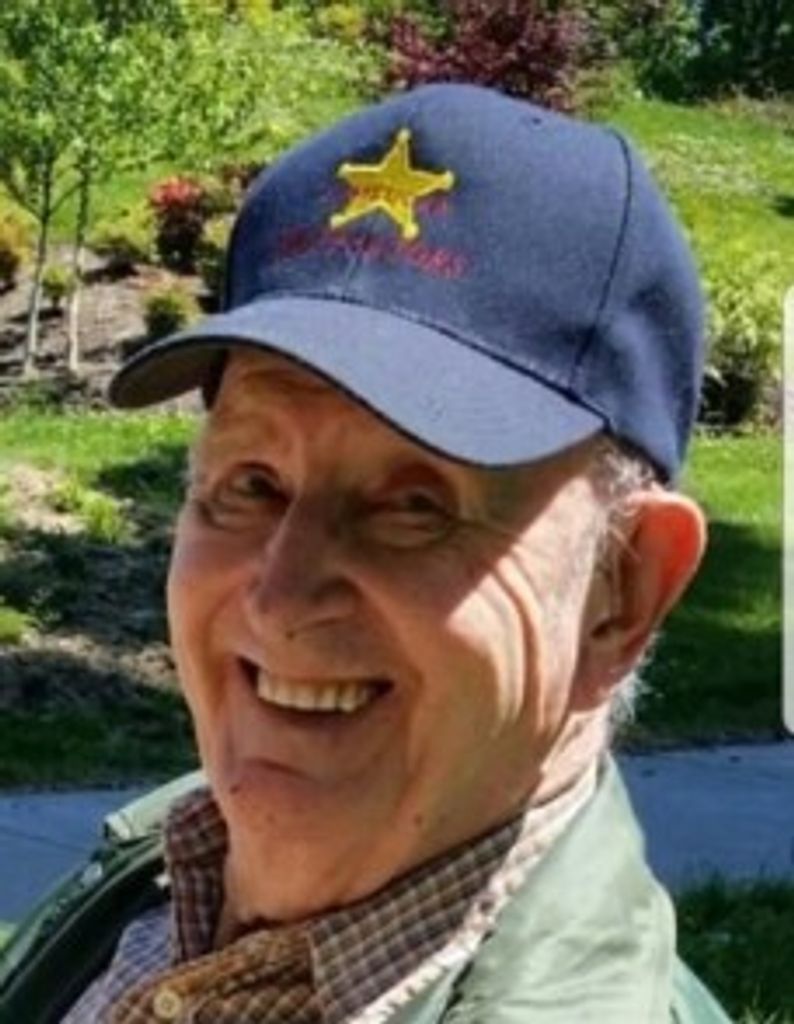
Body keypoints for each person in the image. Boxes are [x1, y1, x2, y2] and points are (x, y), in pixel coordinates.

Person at [61, 83, 731, 1022]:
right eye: (252, 483)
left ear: (623, 588)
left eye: (415, 507)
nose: (280, 601)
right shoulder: (156, 877)